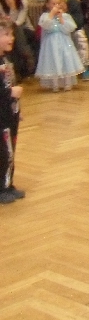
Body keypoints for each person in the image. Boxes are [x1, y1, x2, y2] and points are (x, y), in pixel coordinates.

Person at [35, 0, 85, 91]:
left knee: (66, 61)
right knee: (53, 62)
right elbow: (45, 25)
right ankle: (55, 84)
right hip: (50, 45)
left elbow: (70, 28)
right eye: (53, 4)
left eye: (57, 3)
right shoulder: (45, 16)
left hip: (64, 43)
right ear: (48, 5)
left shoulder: (65, 16)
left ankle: (67, 83)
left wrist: (61, 18)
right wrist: (51, 14)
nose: (56, 6)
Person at [47, 0, 89, 81]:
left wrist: (65, 15)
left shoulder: (73, 3)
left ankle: (85, 67)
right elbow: (47, 22)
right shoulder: (49, 4)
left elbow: (79, 21)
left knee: (80, 37)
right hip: (56, 32)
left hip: (73, 29)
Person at [0, 18, 23, 204]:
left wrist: (17, 109)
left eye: (12, 34)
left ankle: (8, 184)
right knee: (4, 153)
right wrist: (10, 93)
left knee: (10, 151)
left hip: (10, 115)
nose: (11, 38)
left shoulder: (5, 60)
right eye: (6, 34)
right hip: (1, 118)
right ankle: (2, 188)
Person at [0, 0, 36, 78]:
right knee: (10, 35)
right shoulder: (1, 5)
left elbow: (19, 22)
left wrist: (12, 9)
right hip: (11, 31)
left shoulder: (23, 2)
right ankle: (14, 69)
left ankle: (28, 65)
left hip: (26, 30)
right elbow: (5, 24)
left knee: (17, 31)